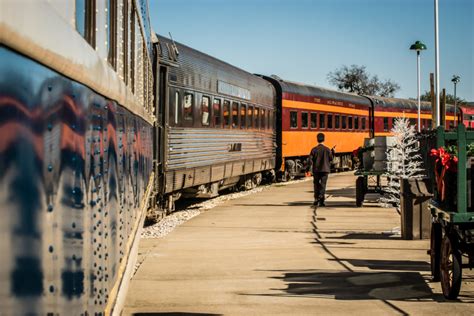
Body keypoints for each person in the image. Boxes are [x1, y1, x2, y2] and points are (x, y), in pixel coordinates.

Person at [308, 133, 333, 206]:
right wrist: (333, 152)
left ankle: (316, 199)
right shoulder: (327, 149)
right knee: (323, 184)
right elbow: (331, 159)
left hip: (316, 170)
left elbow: (310, 160)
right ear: (324, 139)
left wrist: (308, 169)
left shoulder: (314, 149)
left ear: (317, 139)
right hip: (325, 170)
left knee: (316, 184)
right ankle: (321, 199)